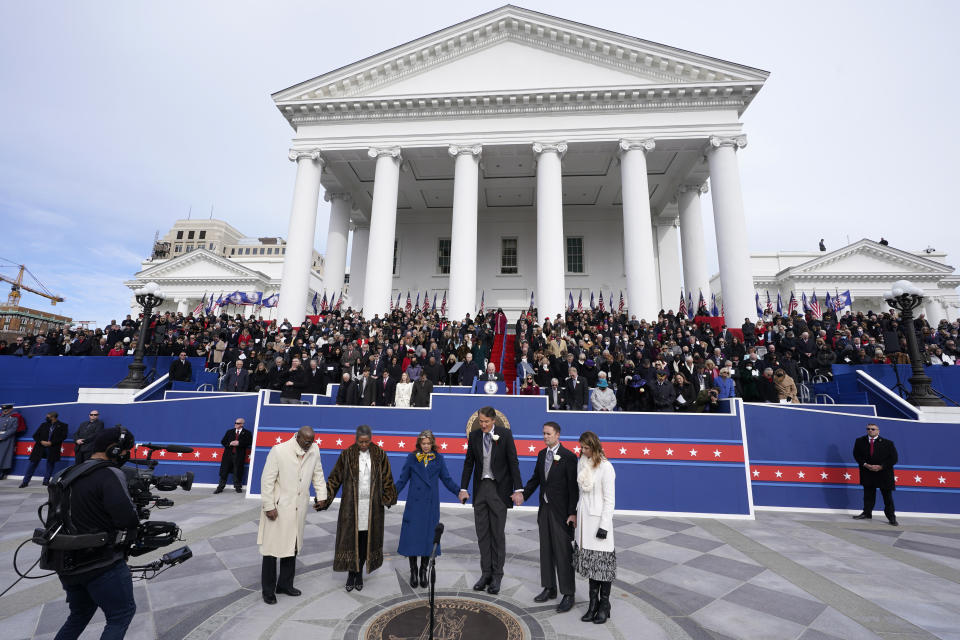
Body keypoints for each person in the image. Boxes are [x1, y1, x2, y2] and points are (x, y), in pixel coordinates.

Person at [51, 426, 140, 639]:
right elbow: (127, 520)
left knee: (79, 615)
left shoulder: (65, 473)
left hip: (66, 562)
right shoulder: (110, 473)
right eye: (126, 450)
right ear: (114, 450)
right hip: (100, 563)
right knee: (121, 614)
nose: (127, 455)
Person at [322, 425, 397, 591]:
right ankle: (351, 574)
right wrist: (325, 499)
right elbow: (334, 479)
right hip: (351, 506)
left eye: (366, 442)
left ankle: (359, 573)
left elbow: (387, 478)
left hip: (372, 508)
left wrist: (388, 497)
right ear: (356, 439)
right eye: (361, 442)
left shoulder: (380, 455)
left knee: (365, 540)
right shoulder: (347, 454)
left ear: (371, 439)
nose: (364, 445)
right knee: (351, 540)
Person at [258, 426, 327, 604]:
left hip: (299, 508)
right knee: (271, 551)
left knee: (292, 547)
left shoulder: (314, 449)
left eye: (311, 441)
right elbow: (267, 481)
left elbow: (318, 474)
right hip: (279, 508)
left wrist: (322, 496)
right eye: (306, 441)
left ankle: (285, 585)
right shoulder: (279, 451)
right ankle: (268, 591)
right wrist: (268, 506)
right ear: (297, 437)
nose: (309, 445)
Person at [458, 406, 524, 595]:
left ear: (494, 420)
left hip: (499, 490)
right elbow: (469, 462)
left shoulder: (505, 434)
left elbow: (513, 462)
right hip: (480, 490)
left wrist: (518, 489)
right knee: (482, 534)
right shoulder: (475, 436)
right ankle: (485, 573)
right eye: (481, 421)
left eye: (486, 422)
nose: (483, 425)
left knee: (497, 535)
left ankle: (497, 575)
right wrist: (463, 488)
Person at [521, 421, 578, 613]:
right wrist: (523, 494)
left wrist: (572, 512)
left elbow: (573, 488)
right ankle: (549, 587)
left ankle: (568, 594)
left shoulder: (569, 457)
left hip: (561, 512)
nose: (545, 437)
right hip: (544, 509)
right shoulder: (541, 454)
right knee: (546, 551)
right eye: (543, 433)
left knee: (563, 553)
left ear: (557, 435)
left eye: (548, 434)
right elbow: (536, 479)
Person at [394, 430, 460, 588]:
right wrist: (390, 495)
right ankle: (413, 571)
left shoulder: (439, 459)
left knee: (427, 538)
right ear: (419, 444)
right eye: (423, 443)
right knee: (412, 538)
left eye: (428, 443)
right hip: (414, 504)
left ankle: (423, 570)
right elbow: (402, 479)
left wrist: (458, 491)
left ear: (433, 443)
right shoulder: (412, 458)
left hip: (429, 506)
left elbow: (447, 479)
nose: (426, 446)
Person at [574, 431, 616, 624]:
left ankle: (604, 605)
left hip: (599, 523)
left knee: (603, 566)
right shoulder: (581, 464)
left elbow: (609, 500)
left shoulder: (606, 467)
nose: (583, 451)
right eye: (581, 447)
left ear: (594, 447)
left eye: (586, 447)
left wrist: (604, 526)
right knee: (592, 566)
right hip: (584, 522)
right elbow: (580, 494)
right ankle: (593, 604)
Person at [852, 424, 899, 526]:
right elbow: (856, 455)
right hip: (867, 472)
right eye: (868, 429)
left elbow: (893, 459)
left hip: (884, 474)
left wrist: (881, 466)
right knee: (868, 495)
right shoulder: (859, 441)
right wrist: (865, 465)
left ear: (878, 431)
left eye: (873, 429)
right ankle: (867, 513)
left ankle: (891, 517)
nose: (870, 431)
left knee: (887, 497)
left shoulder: (888, 443)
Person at [19, 411, 68, 487]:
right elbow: (35, 435)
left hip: (52, 448)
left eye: (48, 417)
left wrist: (51, 442)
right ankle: (25, 482)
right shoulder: (43, 425)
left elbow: (63, 437)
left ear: (53, 417)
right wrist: (41, 441)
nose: (46, 418)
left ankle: (46, 481)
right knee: (32, 464)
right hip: (39, 447)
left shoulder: (63, 425)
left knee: (50, 464)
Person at [216, 418, 253, 494]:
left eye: (238, 423)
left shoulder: (247, 433)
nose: (236, 424)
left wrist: (239, 443)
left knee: (237, 471)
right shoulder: (229, 432)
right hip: (228, 455)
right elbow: (223, 442)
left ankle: (238, 487)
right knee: (224, 471)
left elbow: (249, 442)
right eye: (235, 423)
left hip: (239, 456)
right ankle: (220, 487)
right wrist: (230, 443)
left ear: (242, 424)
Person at [0, 403, 26, 479]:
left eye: (6, 410)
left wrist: (2, 436)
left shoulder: (15, 417)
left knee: (3, 456)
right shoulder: (0, 416)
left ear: (11, 409)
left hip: (7, 439)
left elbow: (14, 429)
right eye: (3, 410)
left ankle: (1, 472)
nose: (5, 411)